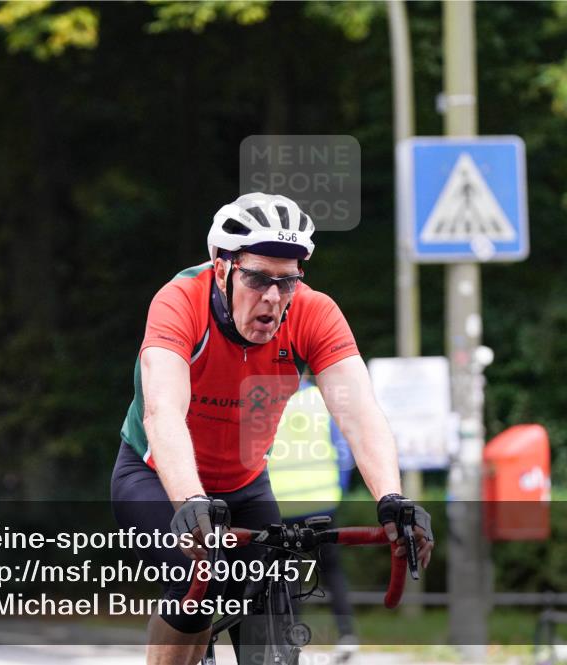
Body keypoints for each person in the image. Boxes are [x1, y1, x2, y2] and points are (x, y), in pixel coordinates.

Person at [110, 192, 433, 665]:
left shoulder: (313, 312)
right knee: (196, 589)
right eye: (258, 279)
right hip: (156, 477)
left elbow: (359, 409)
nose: (273, 298)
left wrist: (391, 497)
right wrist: (191, 502)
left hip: (244, 485)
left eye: (286, 283)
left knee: (274, 633)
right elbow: (163, 410)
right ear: (222, 269)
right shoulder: (179, 302)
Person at [268, 377, 359, 662]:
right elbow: (344, 452)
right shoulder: (321, 399)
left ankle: (293, 640)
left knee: (288, 575)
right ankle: (347, 634)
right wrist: (337, 491)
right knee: (332, 570)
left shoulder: (265, 401)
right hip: (322, 501)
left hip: (281, 502)